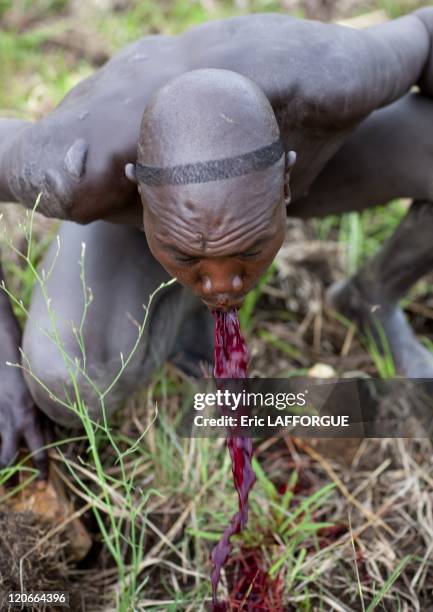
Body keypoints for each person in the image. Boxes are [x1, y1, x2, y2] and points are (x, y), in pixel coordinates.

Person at [1, 8, 433, 475]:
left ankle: (372, 298)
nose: (224, 286)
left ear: (284, 181)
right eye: (192, 260)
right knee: (70, 382)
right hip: (125, 213)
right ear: (140, 194)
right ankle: (182, 306)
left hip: (316, 159)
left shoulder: (336, 75)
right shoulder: (74, 170)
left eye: (247, 254)